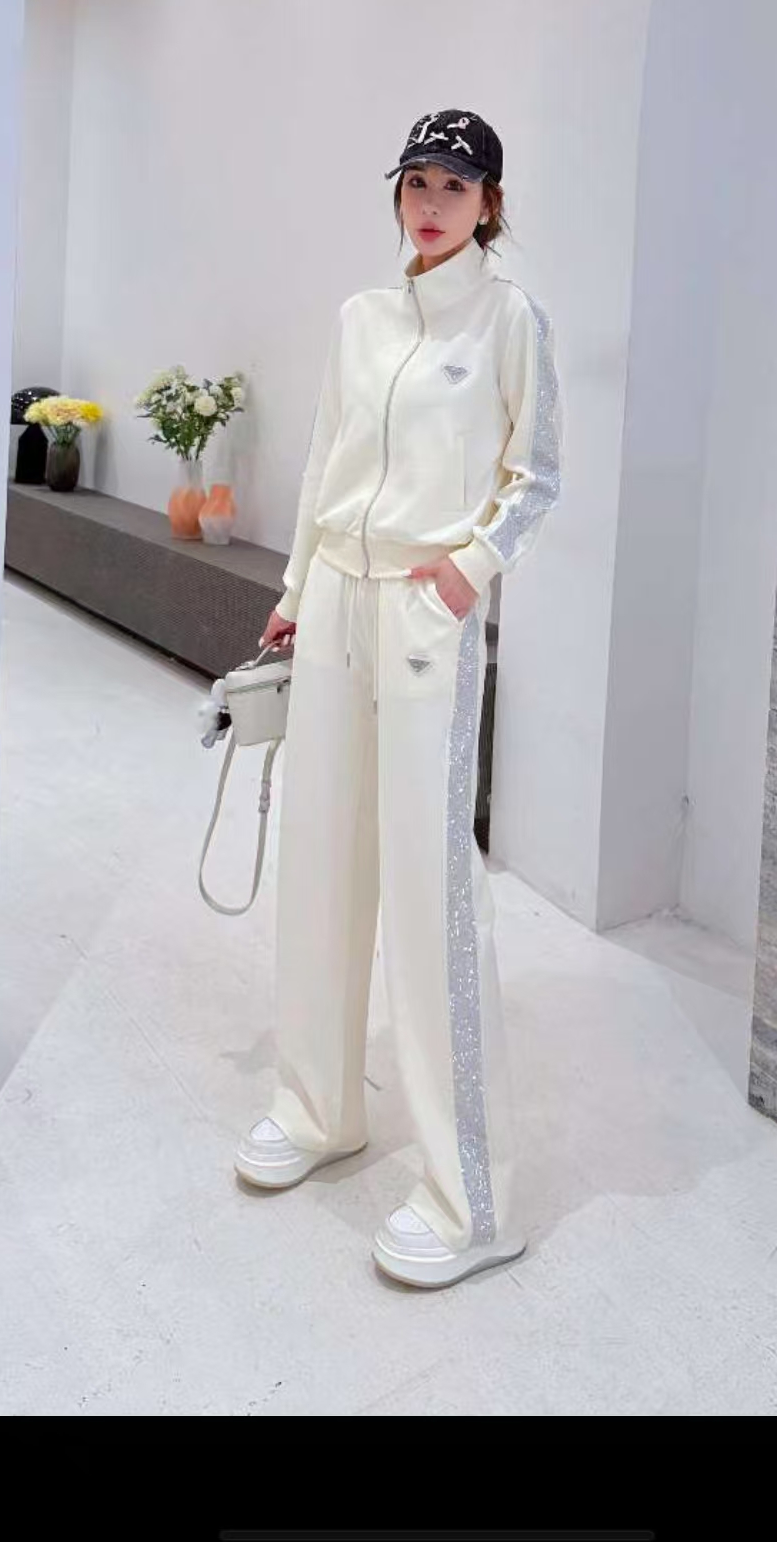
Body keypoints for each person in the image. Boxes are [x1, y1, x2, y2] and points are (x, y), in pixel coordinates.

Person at [235, 110, 561, 1287]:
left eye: (454, 187)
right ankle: (319, 1108)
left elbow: (538, 475)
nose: (431, 203)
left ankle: (475, 1201)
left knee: (429, 892)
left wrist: (469, 571)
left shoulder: (510, 320)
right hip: (335, 598)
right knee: (323, 859)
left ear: (490, 206)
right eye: (417, 182)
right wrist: (294, 590)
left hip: (427, 614)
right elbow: (326, 460)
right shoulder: (360, 319)